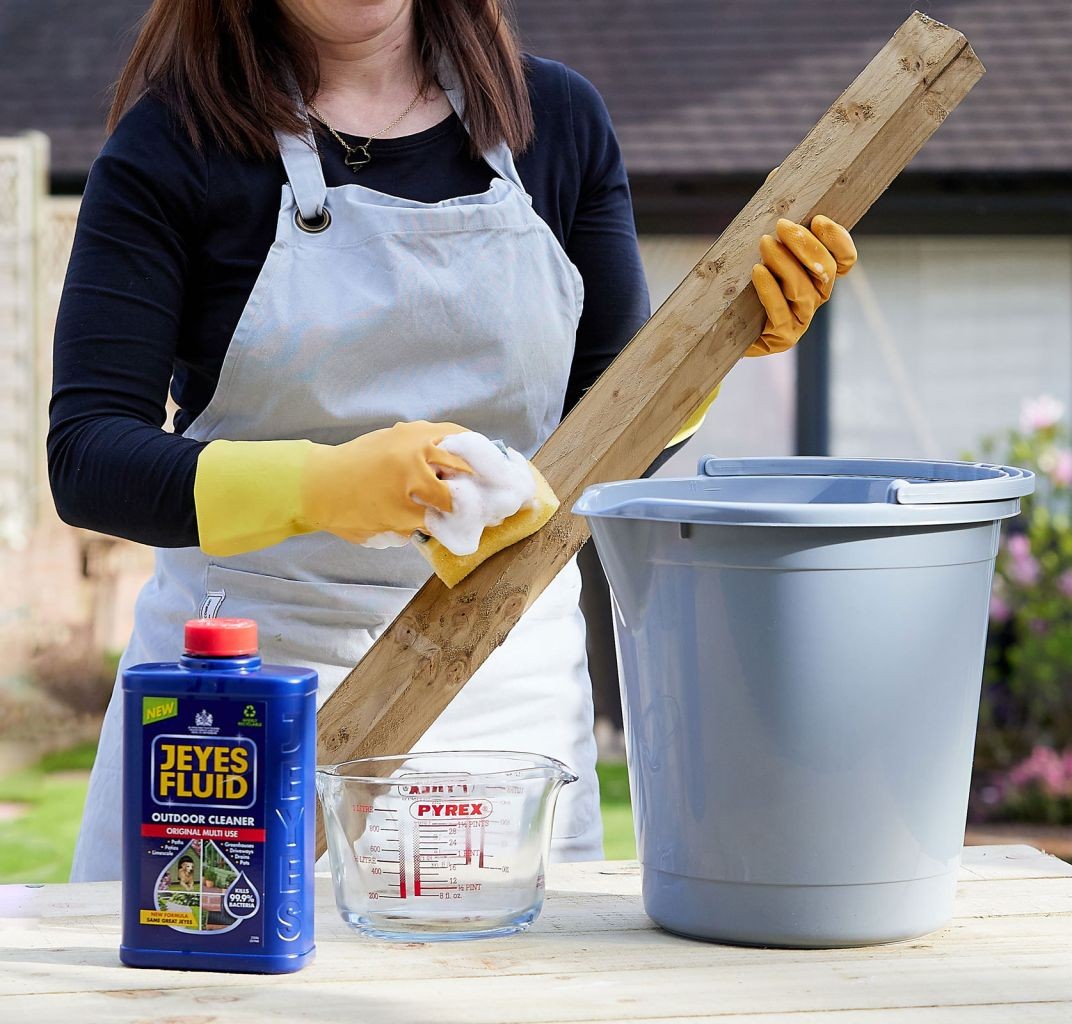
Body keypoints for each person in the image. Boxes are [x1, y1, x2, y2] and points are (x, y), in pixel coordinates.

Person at [50, 0, 856, 882]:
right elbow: (90, 459)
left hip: (505, 691)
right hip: (235, 706)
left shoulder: (557, 122)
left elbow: (602, 427)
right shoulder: (176, 140)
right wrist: (324, 487)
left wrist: (707, 359)